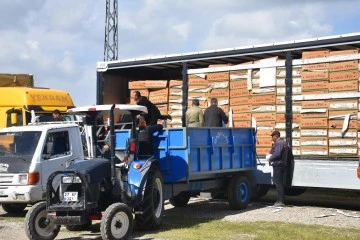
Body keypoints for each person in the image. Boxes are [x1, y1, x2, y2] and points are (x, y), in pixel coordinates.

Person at [267, 130, 288, 207]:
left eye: (272, 137)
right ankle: (280, 200)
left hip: (278, 165)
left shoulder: (279, 143)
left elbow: (277, 154)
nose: (272, 139)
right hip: (281, 165)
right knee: (279, 183)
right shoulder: (283, 142)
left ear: (276, 136)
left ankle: (280, 201)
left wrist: (270, 158)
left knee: (278, 183)